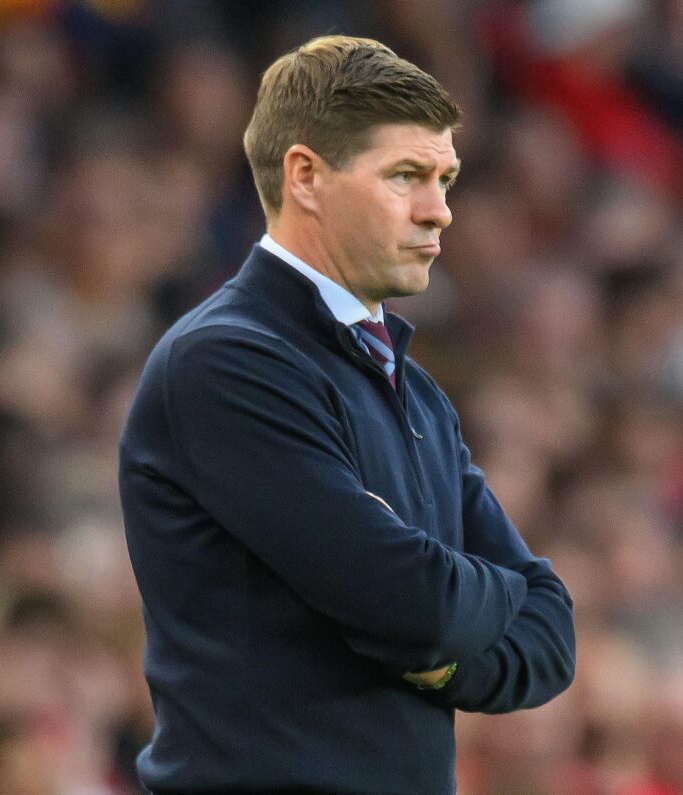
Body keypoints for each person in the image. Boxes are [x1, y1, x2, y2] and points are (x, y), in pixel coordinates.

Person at [119, 35, 575, 795]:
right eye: (406, 176)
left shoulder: (414, 390)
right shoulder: (227, 363)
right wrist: (479, 597)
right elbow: (420, 603)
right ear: (305, 176)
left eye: (445, 179)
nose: (440, 211)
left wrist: (442, 639)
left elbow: (552, 633)